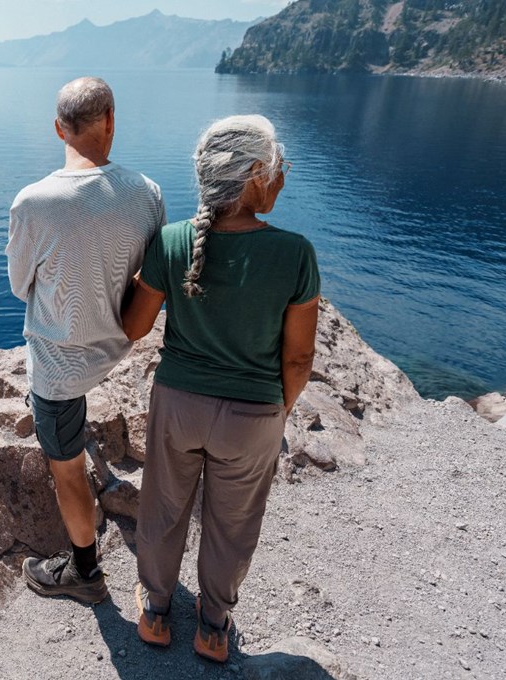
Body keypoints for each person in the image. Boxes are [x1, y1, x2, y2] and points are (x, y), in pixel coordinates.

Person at [121, 114, 320, 662]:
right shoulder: (296, 253)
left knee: (163, 507)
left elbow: (135, 328)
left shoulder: (172, 241)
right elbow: (299, 358)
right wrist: (276, 411)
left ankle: (156, 613)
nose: (283, 178)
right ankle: (212, 626)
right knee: (233, 524)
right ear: (255, 174)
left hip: (179, 404)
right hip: (254, 416)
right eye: (280, 168)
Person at [6, 77, 166, 604]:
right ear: (111, 121)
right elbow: (150, 276)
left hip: (59, 367)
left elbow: (18, 285)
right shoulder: (147, 193)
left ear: (58, 129)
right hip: (119, 345)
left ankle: (84, 573)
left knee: (66, 467)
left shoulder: (34, 201)